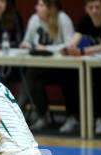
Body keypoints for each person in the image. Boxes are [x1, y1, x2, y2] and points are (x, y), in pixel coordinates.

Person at [20, 0, 75, 131]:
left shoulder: (62, 19)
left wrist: (47, 48)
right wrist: (27, 44)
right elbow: (26, 40)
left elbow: (70, 44)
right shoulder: (34, 19)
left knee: (32, 75)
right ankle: (42, 116)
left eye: (41, 5)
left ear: (50, 8)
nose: (36, 7)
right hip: (41, 66)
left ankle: (73, 117)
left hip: (63, 68)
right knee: (34, 79)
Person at [61, 0, 101, 134]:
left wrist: (81, 51)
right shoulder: (85, 21)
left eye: (97, 7)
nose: (94, 11)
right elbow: (74, 40)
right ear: (86, 9)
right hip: (91, 63)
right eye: (90, 7)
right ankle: (74, 116)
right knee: (68, 76)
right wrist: (69, 49)